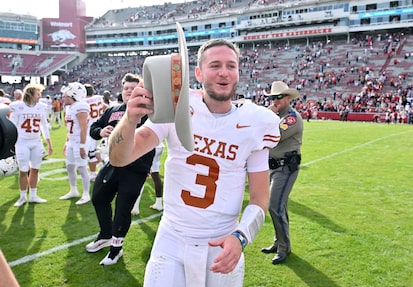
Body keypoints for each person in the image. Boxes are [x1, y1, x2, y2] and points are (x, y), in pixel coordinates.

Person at [108, 38, 280, 286]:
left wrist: (241, 237)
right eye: (215, 65)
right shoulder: (177, 106)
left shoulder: (256, 122)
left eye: (231, 66)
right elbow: (119, 158)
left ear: (238, 73)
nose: (224, 72)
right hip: (173, 238)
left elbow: (260, 198)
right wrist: (130, 119)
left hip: (222, 241)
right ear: (198, 73)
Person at [85, 73, 155, 265]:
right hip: (113, 163)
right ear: (121, 91)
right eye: (126, 89)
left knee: (123, 209)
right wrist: (101, 131)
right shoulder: (113, 110)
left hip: (135, 167)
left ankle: (116, 249)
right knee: (99, 197)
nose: (129, 92)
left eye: (134, 89)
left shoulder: (150, 112)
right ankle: (105, 234)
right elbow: (94, 127)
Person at [260, 81, 303, 264]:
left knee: (274, 206)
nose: (274, 101)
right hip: (274, 166)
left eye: (278, 97)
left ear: (287, 98)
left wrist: (267, 114)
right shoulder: (278, 115)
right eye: (271, 98)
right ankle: (279, 242)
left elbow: (274, 135)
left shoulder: (291, 118)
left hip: (285, 168)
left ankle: (285, 248)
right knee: (279, 207)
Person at [9, 83, 53, 207]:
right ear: (31, 94)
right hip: (22, 142)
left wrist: (49, 143)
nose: (40, 96)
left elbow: (44, 127)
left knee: (35, 169)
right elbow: (12, 126)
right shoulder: (18, 107)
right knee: (23, 170)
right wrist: (11, 143)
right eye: (38, 94)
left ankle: (33, 195)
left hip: (36, 141)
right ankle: (23, 197)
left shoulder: (41, 107)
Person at [59, 82, 91, 205]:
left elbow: (84, 128)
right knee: (70, 166)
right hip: (72, 141)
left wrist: (82, 146)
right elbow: (70, 128)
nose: (63, 97)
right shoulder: (70, 107)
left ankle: (86, 194)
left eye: (65, 95)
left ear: (74, 95)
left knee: (82, 168)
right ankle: (73, 190)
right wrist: (67, 142)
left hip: (80, 142)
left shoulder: (80, 106)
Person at [131, 141, 164, 215]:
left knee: (140, 175)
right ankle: (159, 203)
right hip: (159, 145)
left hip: (149, 146)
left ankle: (135, 207)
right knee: (155, 174)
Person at [83, 84, 105, 181]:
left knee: (91, 152)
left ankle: (93, 173)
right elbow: (106, 107)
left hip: (90, 129)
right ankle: (101, 167)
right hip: (99, 126)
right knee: (95, 150)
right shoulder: (99, 98)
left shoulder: (83, 102)